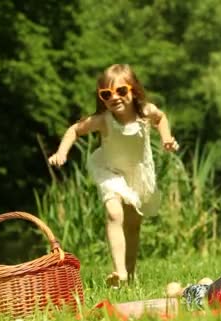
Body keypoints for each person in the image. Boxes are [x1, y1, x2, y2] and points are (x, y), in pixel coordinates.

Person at [48, 64, 179, 286]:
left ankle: (129, 272)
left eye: (121, 91)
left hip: (138, 172)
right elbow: (74, 130)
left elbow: (161, 119)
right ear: (102, 97)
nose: (114, 98)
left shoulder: (145, 111)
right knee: (114, 213)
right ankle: (119, 273)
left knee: (133, 225)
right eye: (106, 94)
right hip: (109, 169)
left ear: (134, 90)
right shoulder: (103, 120)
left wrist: (166, 137)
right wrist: (61, 152)